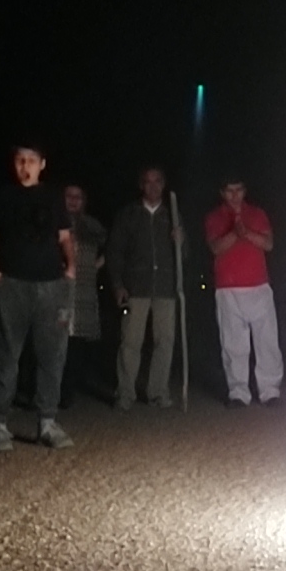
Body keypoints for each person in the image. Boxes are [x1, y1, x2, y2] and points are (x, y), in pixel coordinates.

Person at [0, 143, 76, 451]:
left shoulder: (53, 196)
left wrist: (71, 267)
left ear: (42, 164)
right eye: (20, 160)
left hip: (51, 285)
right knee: (7, 355)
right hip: (12, 285)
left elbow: (65, 236)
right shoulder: (2, 196)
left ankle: (47, 422)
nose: (25, 166)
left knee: (52, 355)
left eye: (31, 160)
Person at [106, 167, 181, 410]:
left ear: (163, 184)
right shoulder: (128, 214)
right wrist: (118, 284)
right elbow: (115, 252)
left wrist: (181, 241)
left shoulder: (172, 215)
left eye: (157, 181)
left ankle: (158, 392)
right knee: (130, 341)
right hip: (135, 287)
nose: (153, 186)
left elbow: (185, 256)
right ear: (141, 185)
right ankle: (125, 393)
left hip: (166, 288)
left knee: (165, 341)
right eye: (148, 182)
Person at [205, 176, 282, 407]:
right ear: (222, 193)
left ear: (245, 190)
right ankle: (238, 392)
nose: (235, 196)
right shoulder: (214, 217)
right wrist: (235, 233)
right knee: (233, 344)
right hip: (228, 289)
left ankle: (270, 391)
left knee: (267, 341)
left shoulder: (257, 214)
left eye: (238, 190)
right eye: (230, 191)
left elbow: (268, 244)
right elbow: (216, 248)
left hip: (259, 285)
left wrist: (245, 232)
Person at [61, 183, 108, 409]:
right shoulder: (55, 222)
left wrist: (96, 266)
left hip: (85, 289)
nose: (73, 200)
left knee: (78, 342)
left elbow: (110, 246)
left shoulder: (92, 225)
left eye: (77, 196)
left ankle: (70, 388)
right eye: (69, 196)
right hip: (59, 288)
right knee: (57, 338)